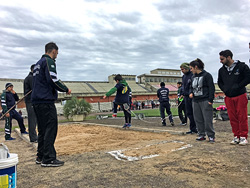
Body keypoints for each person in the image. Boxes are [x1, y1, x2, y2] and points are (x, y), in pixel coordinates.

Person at [32, 42, 71, 167]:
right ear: (53, 51)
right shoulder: (49, 61)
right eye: (57, 54)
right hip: (45, 100)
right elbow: (52, 79)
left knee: (42, 129)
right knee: (51, 128)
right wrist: (65, 89)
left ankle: (41, 155)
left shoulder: (38, 63)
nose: (56, 56)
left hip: (37, 101)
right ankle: (48, 158)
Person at [218, 50, 250, 145]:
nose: (220, 61)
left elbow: (248, 78)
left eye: (222, 59)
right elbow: (219, 82)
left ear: (229, 57)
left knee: (242, 116)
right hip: (228, 96)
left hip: (240, 95)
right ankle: (236, 136)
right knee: (232, 117)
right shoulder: (221, 70)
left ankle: (243, 137)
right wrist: (225, 89)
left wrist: (238, 86)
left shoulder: (242, 66)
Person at [189, 59, 215, 143]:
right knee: (198, 119)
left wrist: (210, 100)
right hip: (195, 101)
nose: (191, 70)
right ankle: (201, 134)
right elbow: (191, 87)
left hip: (205, 100)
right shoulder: (193, 77)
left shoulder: (207, 75)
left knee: (207, 119)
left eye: (191, 68)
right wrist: (191, 93)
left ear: (196, 67)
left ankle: (211, 136)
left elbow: (211, 88)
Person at [180, 63, 197, 134]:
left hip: (192, 96)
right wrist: (182, 94)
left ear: (187, 68)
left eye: (183, 69)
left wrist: (191, 92)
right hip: (186, 97)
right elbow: (183, 86)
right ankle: (192, 129)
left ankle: (197, 128)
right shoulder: (183, 77)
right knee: (189, 113)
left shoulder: (192, 75)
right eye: (181, 70)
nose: (182, 71)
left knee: (195, 113)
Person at [24, 64, 38, 143]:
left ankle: (34, 136)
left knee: (34, 119)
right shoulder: (30, 78)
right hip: (30, 101)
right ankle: (33, 138)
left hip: (31, 101)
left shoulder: (31, 77)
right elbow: (35, 88)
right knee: (32, 120)